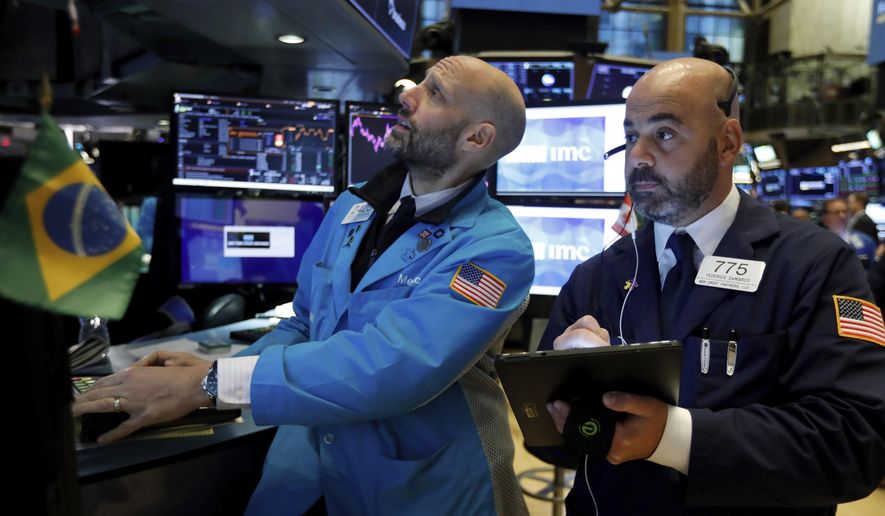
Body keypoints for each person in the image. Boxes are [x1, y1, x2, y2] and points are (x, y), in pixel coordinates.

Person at [73, 55, 534, 515]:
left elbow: (391, 370)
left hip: (417, 486)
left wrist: (209, 384)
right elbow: (305, 324)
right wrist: (217, 372)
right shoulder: (355, 204)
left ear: (477, 138)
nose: (406, 95)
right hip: (309, 466)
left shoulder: (494, 249)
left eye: (434, 93)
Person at [538, 58, 885, 515]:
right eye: (630, 136)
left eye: (664, 134)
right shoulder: (597, 274)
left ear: (728, 143)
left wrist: (673, 437)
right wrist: (564, 395)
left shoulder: (815, 265)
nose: (638, 156)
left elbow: (856, 443)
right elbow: (544, 439)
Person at [820, 197, 877, 269]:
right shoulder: (817, 243)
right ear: (825, 217)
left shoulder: (866, 241)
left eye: (845, 212)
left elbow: (872, 271)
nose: (842, 216)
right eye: (837, 212)